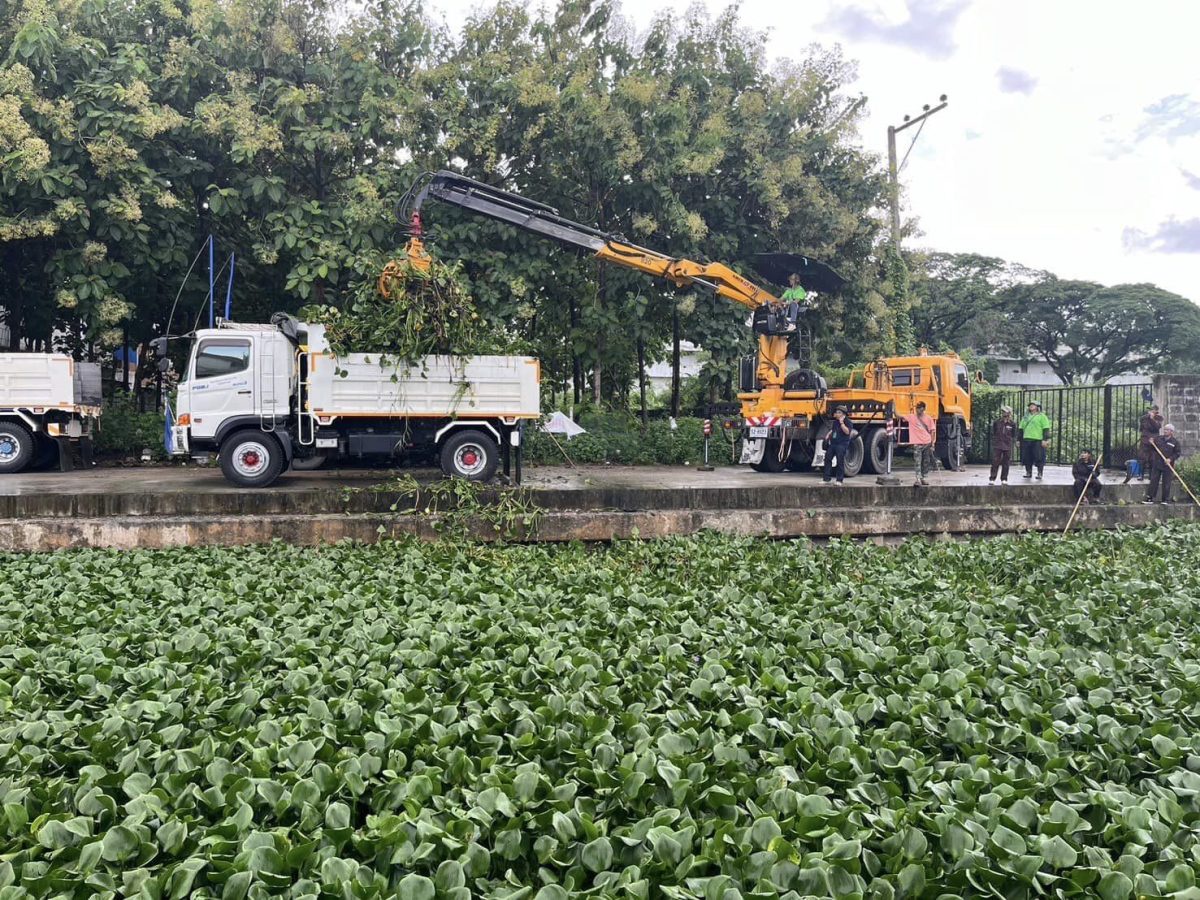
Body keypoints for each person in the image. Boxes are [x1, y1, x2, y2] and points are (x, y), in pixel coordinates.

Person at [1144, 423, 1182, 504]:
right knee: (1154, 481)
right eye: (1164, 429)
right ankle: (1150, 498)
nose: (1165, 431)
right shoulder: (1158, 439)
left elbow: (1177, 453)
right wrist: (1151, 443)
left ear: (1172, 432)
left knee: (1167, 482)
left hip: (1168, 465)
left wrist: (1170, 459)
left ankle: (1165, 499)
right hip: (1157, 463)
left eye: (1167, 430)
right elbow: (1152, 448)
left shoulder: (1175, 442)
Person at [822, 406, 857, 486]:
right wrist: (828, 434)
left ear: (843, 414)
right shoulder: (835, 422)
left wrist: (842, 423)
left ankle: (839, 480)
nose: (836, 414)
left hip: (842, 444)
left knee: (839, 461)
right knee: (827, 458)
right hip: (834, 443)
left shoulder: (848, 422)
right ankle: (826, 478)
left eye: (838, 412)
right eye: (836, 412)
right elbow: (834, 430)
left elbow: (847, 432)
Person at [905, 400, 936, 487]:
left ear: (923, 409)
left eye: (919, 408)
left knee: (926, 461)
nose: (917, 410)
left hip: (927, 443)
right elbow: (899, 415)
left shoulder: (928, 418)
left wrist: (932, 443)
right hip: (917, 443)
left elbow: (933, 431)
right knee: (917, 461)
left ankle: (923, 478)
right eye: (917, 408)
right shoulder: (912, 417)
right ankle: (918, 479)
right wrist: (893, 406)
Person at [1018, 401, 1051, 479]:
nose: (1031, 406)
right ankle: (1028, 472)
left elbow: (1046, 428)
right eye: (1030, 405)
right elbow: (1021, 429)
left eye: (1033, 405)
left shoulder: (1042, 416)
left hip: (1038, 440)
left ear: (1037, 407)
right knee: (1027, 457)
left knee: (1039, 457)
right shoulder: (1025, 417)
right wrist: (1018, 439)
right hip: (1026, 439)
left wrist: (1045, 439)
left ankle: (1040, 473)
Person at [989, 405, 1017, 485]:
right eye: (1003, 412)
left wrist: (1012, 442)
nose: (1004, 413)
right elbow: (994, 432)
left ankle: (1004, 479)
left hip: (1007, 445)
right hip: (998, 444)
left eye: (1006, 412)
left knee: (1006, 462)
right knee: (995, 461)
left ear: (1009, 413)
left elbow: (1013, 434)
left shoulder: (1012, 424)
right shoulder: (997, 422)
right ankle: (992, 478)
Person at [1137, 403, 1163, 481]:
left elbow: (1157, 428)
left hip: (1154, 441)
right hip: (1145, 440)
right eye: (1150, 410)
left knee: (1153, 458)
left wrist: (1152, 419)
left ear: (1156, 412)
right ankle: (1140, 475)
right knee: (1142, 458)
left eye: (1153, 410)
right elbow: (1141, 429)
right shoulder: (1143, 418)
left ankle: (1151, 475)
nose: (1151, 411)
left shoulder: (1159, 418)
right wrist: (1144, 436)